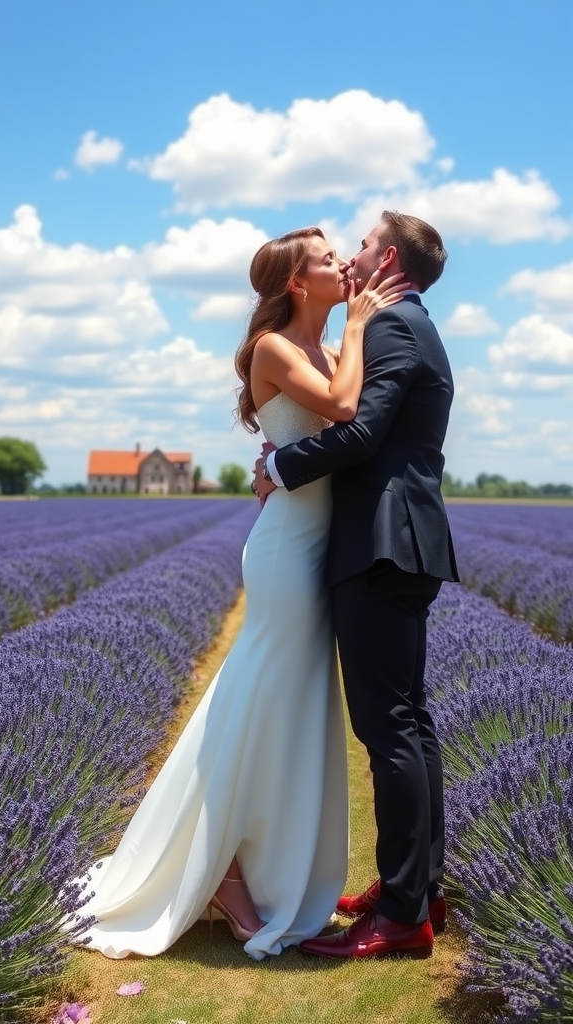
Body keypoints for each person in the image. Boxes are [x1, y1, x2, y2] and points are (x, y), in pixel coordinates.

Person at [68, 227, 408, 962]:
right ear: (296, 284)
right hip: (288, 546)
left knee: (294, 705)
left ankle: (258, 862)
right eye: (327, 262)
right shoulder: (276, 350)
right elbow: (346, 411)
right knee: (263, 691)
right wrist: (358, 323)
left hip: (324, 541)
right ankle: (221, 869)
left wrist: (350, 337)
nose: (342, 266)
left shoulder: (321, 347)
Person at [254, 210, 459, 960]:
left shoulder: (394, 326)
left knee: (390, 729)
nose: (353, 255)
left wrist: (277, 468)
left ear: (392, 261)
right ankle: (420, 887)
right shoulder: (406, 322)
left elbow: (361, 431)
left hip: (380, 544)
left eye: (365, 244)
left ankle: (404, 912)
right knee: (411, 721)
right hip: (399, 542)